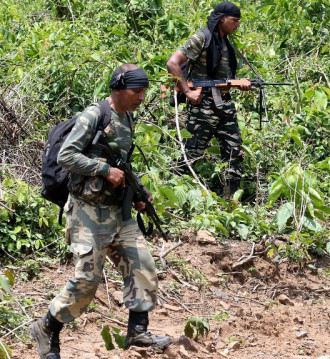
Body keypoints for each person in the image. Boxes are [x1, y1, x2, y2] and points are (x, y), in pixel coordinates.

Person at [31, 64, 172, 359]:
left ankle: (137, 332)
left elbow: (122, 162)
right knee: (86, 282)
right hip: (87, 212)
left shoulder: (128, 117)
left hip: (116, 211)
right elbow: (66, 155)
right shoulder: (94, 115)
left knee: (142, 266)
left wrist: (137, 192)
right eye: (137, 90)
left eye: (145, 90)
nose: (142, 96)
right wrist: (104, 169)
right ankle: (47, 328)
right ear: (118, 89)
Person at [167, 1, 252, 198]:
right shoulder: (202, 37)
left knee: (234, 151)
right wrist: (188, 92)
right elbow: (173, 63)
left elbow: (223, 78)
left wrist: (240, 83)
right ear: (222, 18)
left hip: (224, 103)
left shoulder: (226, 42)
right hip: (203, 103)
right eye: (235, 20)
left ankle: (231, 200)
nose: (237, 24)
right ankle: (174, 195)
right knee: (192, 153)